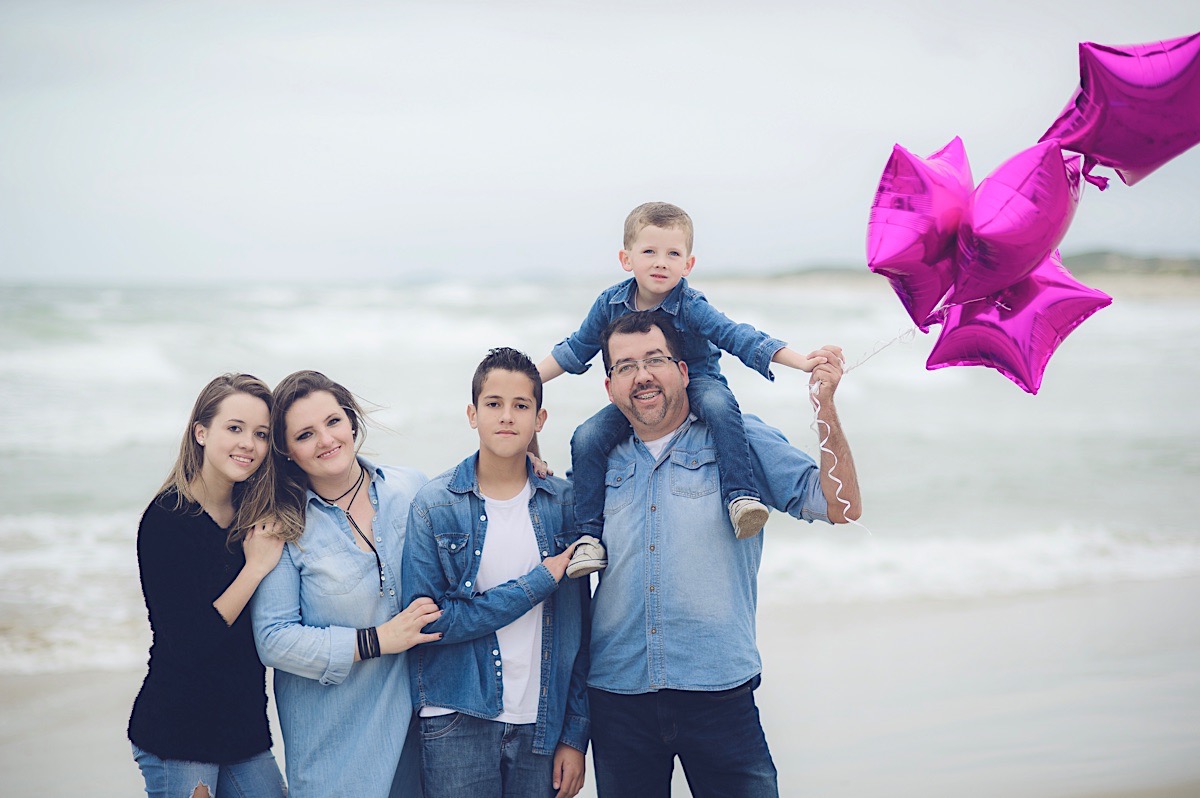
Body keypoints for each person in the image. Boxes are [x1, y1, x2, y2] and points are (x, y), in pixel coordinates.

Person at [586, 311, 862, 798]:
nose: (643, 375)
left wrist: (825, 406)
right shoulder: (598, 461)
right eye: (626, 366)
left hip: (719, 693)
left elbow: (840, 506)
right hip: (618, 700)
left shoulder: (738, 438)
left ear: (685, 370)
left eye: (655, 360)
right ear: (610, 387)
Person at [537, 201, 826, 579]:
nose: (661, 262)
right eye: (649, 252)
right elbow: (575, 349)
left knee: (720, 406)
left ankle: (740, 497)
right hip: (640, 398)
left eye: (673, 253)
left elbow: (737, 336)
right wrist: (526, 379)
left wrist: (802, 362)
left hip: (698, 383)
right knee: (588, 436)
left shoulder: (690, 305)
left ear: (688, 264)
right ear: (626, 259)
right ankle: (589, 537)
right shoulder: (609, 303)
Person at [402, 347, 591, 798]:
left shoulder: (565, 504)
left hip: (541, 723)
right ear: (472, 414)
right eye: (493, 404)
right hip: (456, 718)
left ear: (539, 419)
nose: (507, 416)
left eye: (521, 405)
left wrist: (574, 735)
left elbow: (582, 630)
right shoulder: (434, 505)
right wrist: (538, 582)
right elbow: (429, 623)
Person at [247, 371, 441, 798]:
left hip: (421, 733)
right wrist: (377, 640)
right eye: (305, 434)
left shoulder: (411, 488)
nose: (326, 440)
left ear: (352, 422)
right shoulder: (284, 526)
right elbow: (274, 640)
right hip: (336, 748)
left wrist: (528, 461)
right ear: (287, 452)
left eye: (333, 422)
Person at [128, 373, 287, 798]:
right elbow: (190, 641)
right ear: (201, 431)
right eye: (234, 428)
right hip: (179, 730)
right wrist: (253, 570)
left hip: (244, 729)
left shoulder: (255, 515)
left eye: (261, 434)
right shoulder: (166, 520)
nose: (248, 444)